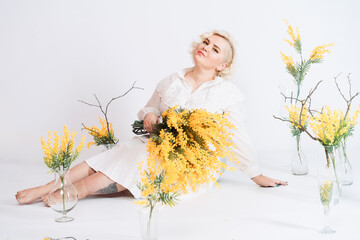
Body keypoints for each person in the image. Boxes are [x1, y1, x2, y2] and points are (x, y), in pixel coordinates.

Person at [16, 30, 287, 205]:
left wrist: (255, 174)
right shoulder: (172, 80)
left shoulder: (228, 93)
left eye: (215, 49)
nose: (206, 47)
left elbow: (236, 134)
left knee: (139, 158)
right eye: (206, 42)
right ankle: (46, 187)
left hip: (190, 161)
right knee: (113, 155)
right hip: (155, 141)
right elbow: (150, 108)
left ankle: (78, 191)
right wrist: (150, 117)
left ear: (223, 65)